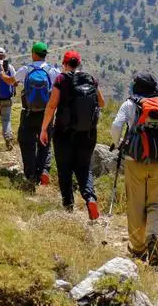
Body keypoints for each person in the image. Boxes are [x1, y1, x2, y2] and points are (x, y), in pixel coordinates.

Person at [112, 72, 158, 266]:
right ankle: (154, 237)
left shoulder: (129, 104)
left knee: (135, 204)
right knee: (156, 203)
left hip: (133, 160)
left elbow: (116, 125)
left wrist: (117, 143)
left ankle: (137, 248)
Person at [39, 51, 104, 220]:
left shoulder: (61, 79)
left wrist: (44, 129)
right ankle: (90, 197)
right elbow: (102, 103)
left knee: (64, 169)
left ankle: (68, 206)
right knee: (84, 167)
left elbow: (52, 106)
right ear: (79, 63)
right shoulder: (90, 79)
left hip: (64, 133)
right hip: (88, 134)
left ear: (64, 63)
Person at [1, 42, 59, 186]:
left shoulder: (27, 69)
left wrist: (2, 72)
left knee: (26, 142)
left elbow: (10, 81)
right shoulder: (53, 71)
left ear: (34, 53)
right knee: (44, 143)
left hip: (28, 113)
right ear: (45, 55)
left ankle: (31, 175)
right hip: (46, 114)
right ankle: (44, 170)